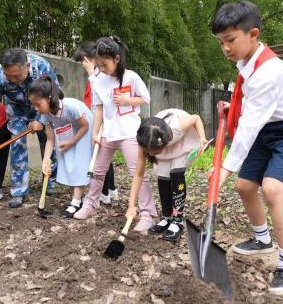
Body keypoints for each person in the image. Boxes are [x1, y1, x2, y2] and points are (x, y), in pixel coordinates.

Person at [211, 1, 283, 295]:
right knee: (246, 186)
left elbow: (249, 126)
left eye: (230, 40)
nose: (226, 48)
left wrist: (225, 168)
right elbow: (253, 107)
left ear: (253, 33)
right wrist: (234, 107)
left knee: (272, 188)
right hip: (267, 127)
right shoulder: (246, 62)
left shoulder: (269, 71)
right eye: (221, 42)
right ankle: (262, 238)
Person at [72, 36, 158, 232]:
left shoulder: (131, 77)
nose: (101, 68)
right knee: (97, 171)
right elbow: (99, 108)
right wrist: (95, 133)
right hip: (107, 133)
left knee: (137, 173)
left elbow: (145, 98)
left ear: (117, 59)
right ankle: (90, 204)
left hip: (129, 132)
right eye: (99, 65)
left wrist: (128, 100)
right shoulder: (99, 80)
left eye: (104, 64)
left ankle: (147, 213)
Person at [0, 48, 60, 208]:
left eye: (17, 76)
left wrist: (41, 118)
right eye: (8, 76)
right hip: (16, 109)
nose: (13, 80)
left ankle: (50, 182)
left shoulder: (41, 67)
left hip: (42, 107)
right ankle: (19, 191)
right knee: (17, 144)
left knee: (47, 141)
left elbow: (55, 94)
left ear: (27, 65)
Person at [126, 109, 207, 241]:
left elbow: (196, 117)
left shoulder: (176, 129)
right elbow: (138, 174)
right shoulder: (145, 139)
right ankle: (166, 216)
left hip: (183, 143)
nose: (150, 155)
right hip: (165, 150)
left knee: (176, 174)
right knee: (163, 177)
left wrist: (202, 138)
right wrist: (131, 206)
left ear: (163, 143)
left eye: (153, 152)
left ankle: (177, 220)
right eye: (148, 152)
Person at [28, 76, 92, 218]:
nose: (36, 109)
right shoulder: (45, 115)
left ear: (49, 98)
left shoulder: (70, 107)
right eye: (33, 105)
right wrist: (45, 161)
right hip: (67, 133)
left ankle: (76, 202)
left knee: (79, 162)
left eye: (38, 104)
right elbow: (50, 139)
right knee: (67, 159)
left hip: (84, 129)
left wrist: (72, 142)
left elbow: (85, 126)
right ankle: (77, 196)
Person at [72, 42, 119, 205]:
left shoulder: (99, 75)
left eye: (81, 61)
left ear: (87, 59)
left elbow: (100, 97)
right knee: (106, 156)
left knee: (101, 158)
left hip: (103, 121)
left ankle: (104, 193)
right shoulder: (97, 74)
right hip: (99, 120)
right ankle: (111, 190)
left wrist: (92, 73)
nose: (81, 65)